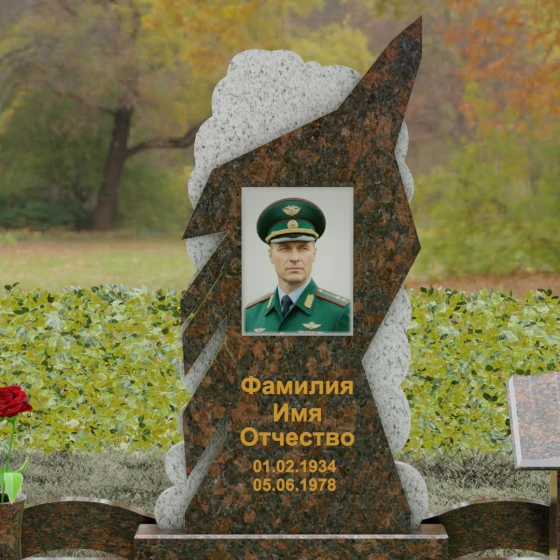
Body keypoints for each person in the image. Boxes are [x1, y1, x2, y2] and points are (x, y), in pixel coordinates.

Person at [244, 198, 351, 334]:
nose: (295, 258)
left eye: (303, 248)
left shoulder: (339, 313)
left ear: (314, 253)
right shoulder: (250, 316)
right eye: (284, 248)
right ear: (270, 255)